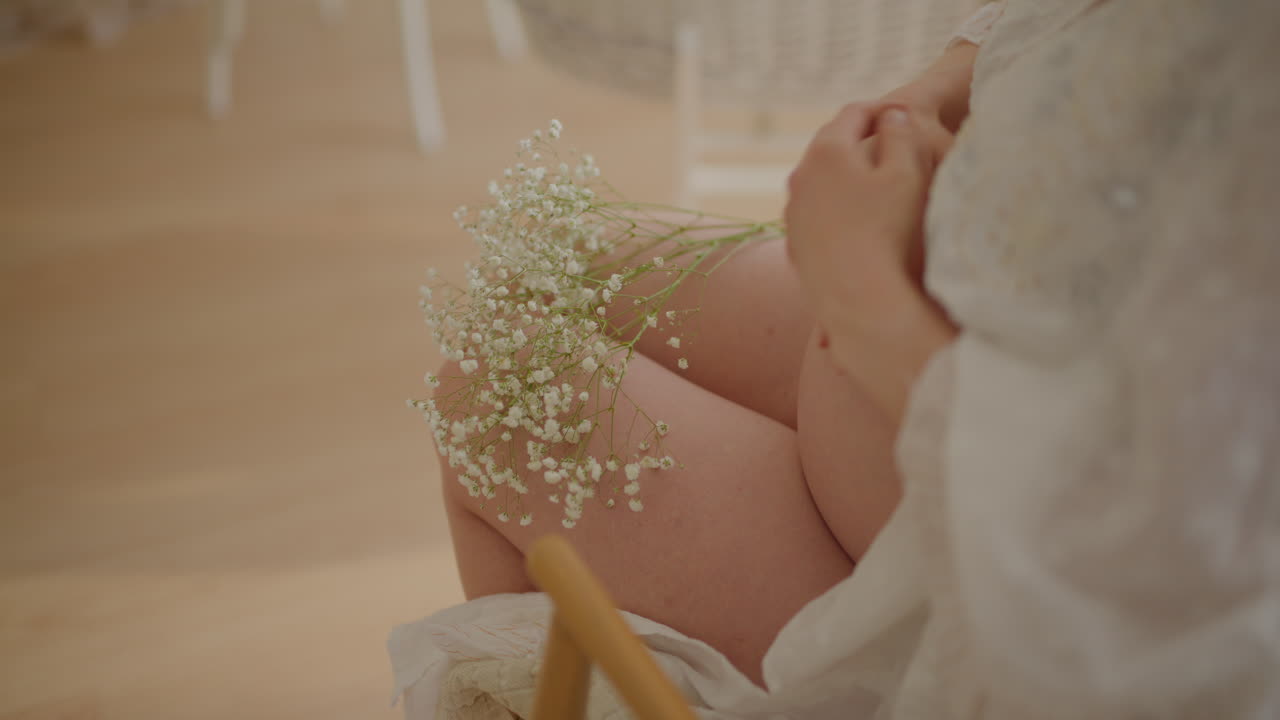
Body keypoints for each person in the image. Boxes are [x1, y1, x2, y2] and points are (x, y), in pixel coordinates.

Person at [404, 1, 1280, 716]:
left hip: (971, 572)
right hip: (954, 331)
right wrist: (925, 99)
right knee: (560, 259)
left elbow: (1150, 538)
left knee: (487, 398)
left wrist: (864, 295)